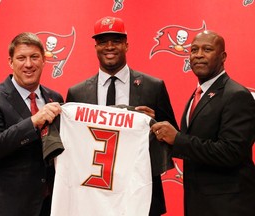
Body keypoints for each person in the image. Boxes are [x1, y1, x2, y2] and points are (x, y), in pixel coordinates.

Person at [66, 16, 178, 216]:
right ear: (95, 47)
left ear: (126, 45)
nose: (109, 47)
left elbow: (174, 139)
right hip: (93, 193)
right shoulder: (77, 93)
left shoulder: (154, 87)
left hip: (140, 189)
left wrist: (156, 126)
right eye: (102, 42)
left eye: (116, 41)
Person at [151, 30, 255, 216]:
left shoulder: (237, 95)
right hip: (199, 204)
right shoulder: (199, 94)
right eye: (194, 50)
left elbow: (231, 152)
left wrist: (177, 139)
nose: (198, 55)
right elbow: (193, 139)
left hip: (228, 207)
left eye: (207, 49)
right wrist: (151, 122)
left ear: (223, 56)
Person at [0, 32, 63, 216]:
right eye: (21, 58)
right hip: (1, 206)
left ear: (44, 60)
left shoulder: (55, 98)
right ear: (11, 62)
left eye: (34, 57)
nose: (28, 64)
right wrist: (33, 122)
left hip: (43, 205)